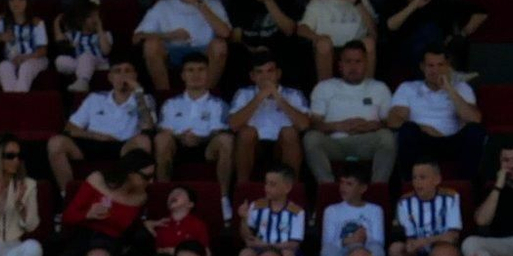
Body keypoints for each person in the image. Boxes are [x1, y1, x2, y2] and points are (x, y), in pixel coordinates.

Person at [47, 57, 155, 195]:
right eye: (118, 71)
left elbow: (148, 128)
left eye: (128, 71)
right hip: (92, 142)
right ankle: (67, 196)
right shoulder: (95, 98)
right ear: (110, 77)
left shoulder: (144, 99)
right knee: (56, 142)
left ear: (135, 75)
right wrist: (96, 136)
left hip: (124, 146)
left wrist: (138, 92)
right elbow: (70, 128)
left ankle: (134, 196)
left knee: (143, 141)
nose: (123, 75)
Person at [134, 0, 229, 98]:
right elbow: (137, 37)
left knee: (220, 45)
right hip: (172, 52)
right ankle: (164, 96)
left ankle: (207, 97)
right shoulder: (164, 5)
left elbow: (225, 33)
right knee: (151, 45)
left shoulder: (213, 4)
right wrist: (169, 35)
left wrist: (199, 4)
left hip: (203, 51)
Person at [55, 154, 152, 256]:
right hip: (85, 236)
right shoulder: (98, 180)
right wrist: (87, 214)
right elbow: (68, 217)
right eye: (146, 177)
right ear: (131, 173)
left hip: (114, 243)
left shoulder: (141, 197)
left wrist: (146, 224)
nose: (151, 181)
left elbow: (131, 228)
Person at [304, 39, 395, 186]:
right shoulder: (324, 87)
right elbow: (314, 123)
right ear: (340, 65)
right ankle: (328, 188)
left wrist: (371, 126)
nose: (353, 66)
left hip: (366, 141)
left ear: (366, 63)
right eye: (348, 61)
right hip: (334, 142)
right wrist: (339, 126)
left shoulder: (379, 88)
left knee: (388, 137)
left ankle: (378, 189)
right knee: (311, 138)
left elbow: (389, 122)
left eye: (358, 61)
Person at [379, 0, 484, 82]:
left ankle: (447, 74)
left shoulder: (441, 1)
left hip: (439, 53)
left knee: (433, 32)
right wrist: (415, 4)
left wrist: (463, 33)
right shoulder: (392, 2)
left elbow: (481, 12)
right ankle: (450, 74)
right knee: (426, 31)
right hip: (404, 53)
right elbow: (390, 26)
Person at [386, 45, 482, 179]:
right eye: (430, 65)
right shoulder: (408, 88)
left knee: (475, 131)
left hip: (452, 140)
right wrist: (423, 128)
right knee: (407, 130)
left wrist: (449, 88)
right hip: (423, 140)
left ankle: (466, 184)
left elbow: (474, 119)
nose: (435, 70)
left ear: (448, 66)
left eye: (440, 65)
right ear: (422, 67)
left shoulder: (462, 88)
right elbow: (393, 121)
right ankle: (408, 183)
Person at [153, 53, 234, 191]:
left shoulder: (219, 104)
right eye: (190, 70)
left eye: (201, 69)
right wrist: (181, 137)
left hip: (207, 147)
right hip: (177, 145)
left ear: (208, 73)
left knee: (226, 140)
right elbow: (163, 130)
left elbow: (219, 131)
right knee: (161, 139)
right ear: (183, 75)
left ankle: (223, 198)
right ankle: (163, 193)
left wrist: (199, 139)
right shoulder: (170, 103)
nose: (196, 74)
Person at [227, 50, 309, 186]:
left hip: (281, 145)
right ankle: (243, 187)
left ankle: (292, 188)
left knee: (289, 132)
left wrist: (278, 97)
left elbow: (304, 125)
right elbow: (233, 125)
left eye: (270, 71)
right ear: (252, 76)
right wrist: (260, 97)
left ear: (278, 74)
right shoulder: (243, 93)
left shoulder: (294, 94)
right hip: (255, 146)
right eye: (259, 72)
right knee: (246, 132)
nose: (265, 77)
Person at [224, 0, 302, 87]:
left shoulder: (286, 0)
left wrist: (268, 0)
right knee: (235, 53)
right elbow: (236, 38)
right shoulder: (238, 2)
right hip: (249, 53)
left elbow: (289, 30)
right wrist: (253, 50)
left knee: (296, 51)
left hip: (279, 54)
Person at [299, 0, 377, 82]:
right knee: (323, 44)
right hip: (328, 49)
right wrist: (317, 37)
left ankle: (367, 90)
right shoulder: (318, 2)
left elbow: (374, 32)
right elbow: (302, 29)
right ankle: (326, 93)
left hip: (356, 51)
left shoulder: (362, 1)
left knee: (369, 43)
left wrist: (356, 2)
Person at [388, 158, 460, 256]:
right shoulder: (404, 202)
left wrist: (424, 241)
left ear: (437, 179)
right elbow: (410, 237)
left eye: (422, 177)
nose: (417, 182)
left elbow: (452, 236)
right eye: (414, 178)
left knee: (444, 249)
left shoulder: (451, 198)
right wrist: (411, 244)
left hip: (443, 246)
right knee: (395, 249)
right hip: (419, 249)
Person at [236, 162, 305, 256]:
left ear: (287, 187)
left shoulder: (297, 212)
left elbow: (294, 244)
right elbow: (247, 237)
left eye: (272, 184)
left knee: (289, 255)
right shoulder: (256, 206)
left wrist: (267, 245)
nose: (267, 188)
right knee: (245, 254)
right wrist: (244, 219)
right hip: (258, 249)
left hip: (283, 250)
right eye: (266, 183)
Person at [317, 167, 385, 256]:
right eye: (342, 183)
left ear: (362, 188)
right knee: (327, 251)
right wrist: (347, 241)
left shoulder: (375, 210)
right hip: (342, 250)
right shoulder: (331, 210)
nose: (343, 187)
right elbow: (327, 243)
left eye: (349, 184)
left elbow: (379, 241)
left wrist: (362, 239)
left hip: (365, 248)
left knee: (377, 250)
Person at [0, 0, 50, 94]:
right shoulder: (3, 19)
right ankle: (14, 102)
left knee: (26, 67)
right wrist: (1, 37)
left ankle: (17, 102)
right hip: (11, 59)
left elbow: (43, 51)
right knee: (3, 67)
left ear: (27, 2)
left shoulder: (37, 23)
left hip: (34, 58)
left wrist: (25, 57)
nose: (16, 3)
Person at [52, 0, 111, 95]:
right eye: (90, 17)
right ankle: (86, 70)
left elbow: (106, 50)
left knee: (85, 56)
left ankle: (83, 82)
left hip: (98, 60)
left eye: (96, 16)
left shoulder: (104, 34)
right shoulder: (75, 35)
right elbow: (60, 40)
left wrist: (100, 29)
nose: (94, 20)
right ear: (82, 19)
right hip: (79, 61)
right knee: (60, 60)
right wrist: (56, 23)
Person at [150, 182, 212, 256]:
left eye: (179, 193)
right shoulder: (161, 224)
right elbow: (156, 251)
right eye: (171, 194)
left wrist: (178, 252)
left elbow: (207, 254)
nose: (173, 195)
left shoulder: (198, 225)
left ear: (190, 204)